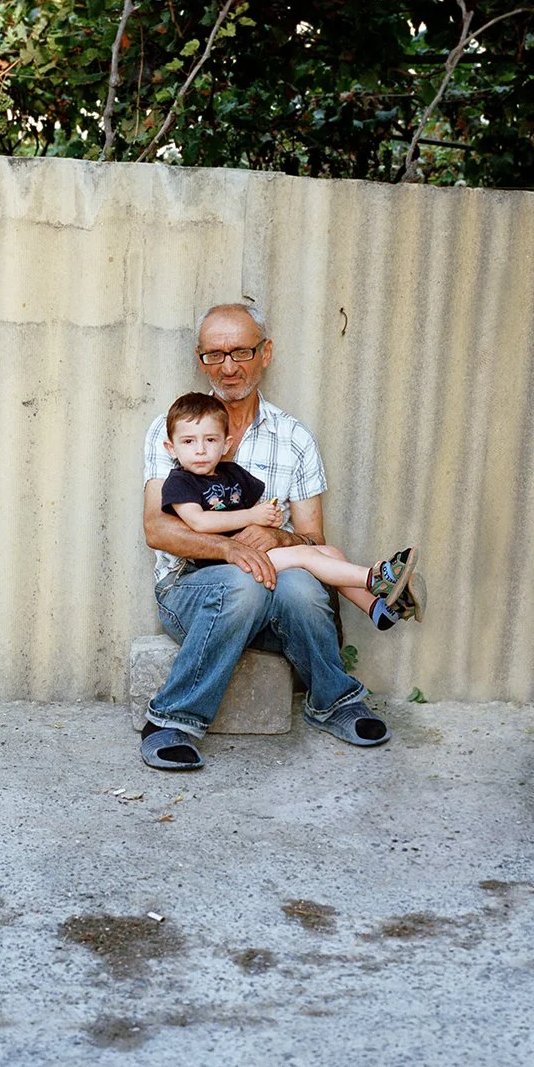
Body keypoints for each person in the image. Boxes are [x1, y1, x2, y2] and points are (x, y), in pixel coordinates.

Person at [138, 303, 405, 771]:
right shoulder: (177, 428)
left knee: (302, 583)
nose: (228, 366)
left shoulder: (294, 439)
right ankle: (171, 720)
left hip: (273, 593)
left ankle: (334, 700)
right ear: (200, 359)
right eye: (213, 354)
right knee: (240, 581)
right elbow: (157, 528)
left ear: (266, 353)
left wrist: (274, 536)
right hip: (189, 593)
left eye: (240, 351)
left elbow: (311, 536)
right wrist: (232, 547)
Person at [158, 391, 424, 630]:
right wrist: (252, 516)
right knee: (306, 556)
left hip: (255, 554)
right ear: (172, 448)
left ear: (226, 445)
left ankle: (378, 610)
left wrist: (268, 517)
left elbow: (258, 508)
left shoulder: (232, 474)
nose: (201, 450)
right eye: (189, 442)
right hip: (224, 566)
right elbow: (199, 522)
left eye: (210, 440)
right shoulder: (180, 481)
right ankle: (376, 577)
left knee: (331, 552)